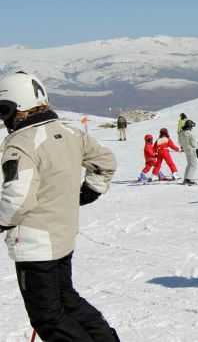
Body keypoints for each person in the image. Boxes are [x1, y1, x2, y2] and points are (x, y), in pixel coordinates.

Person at [0, 71, 120, 341]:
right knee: (67, 301)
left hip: (35, 246)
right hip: (63, 238)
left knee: (48, 317)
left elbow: (17, 198)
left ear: (12, 106)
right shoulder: (69, 132)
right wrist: (91, 189)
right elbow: (106, 160)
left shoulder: (21, 143)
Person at [178, 120, 198, 185]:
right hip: (191, 150)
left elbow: (180, 142)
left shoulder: (181, 133)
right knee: (193, 165)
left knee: (189, 164)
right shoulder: (189, 133)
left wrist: (183, 147)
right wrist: (197, 144)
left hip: (186, 150)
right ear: (189, 126)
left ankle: (185, 179)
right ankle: (188, 180)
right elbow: (193, 143)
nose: (192, 127)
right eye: (191, 126)